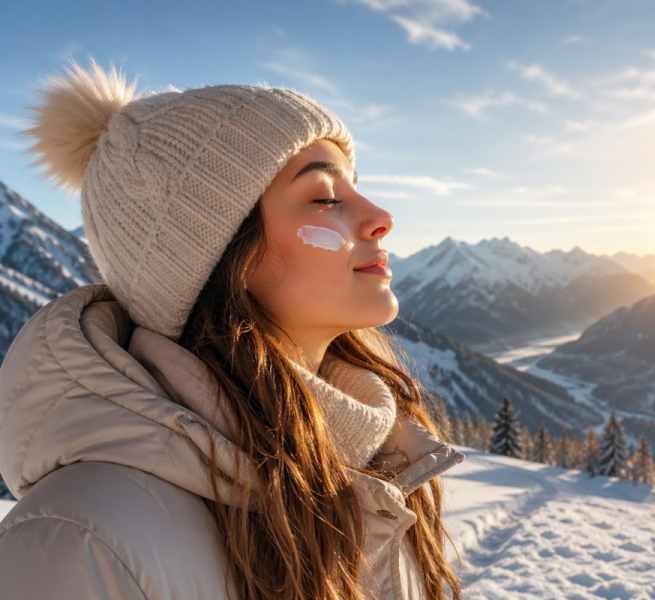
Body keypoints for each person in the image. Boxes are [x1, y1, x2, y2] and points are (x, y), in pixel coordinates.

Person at [0, 59, 464, 600]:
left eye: (355, 188)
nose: (381, 216)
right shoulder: (82, 540)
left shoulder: (375, 466)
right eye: (324, 198)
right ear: (220, 256)